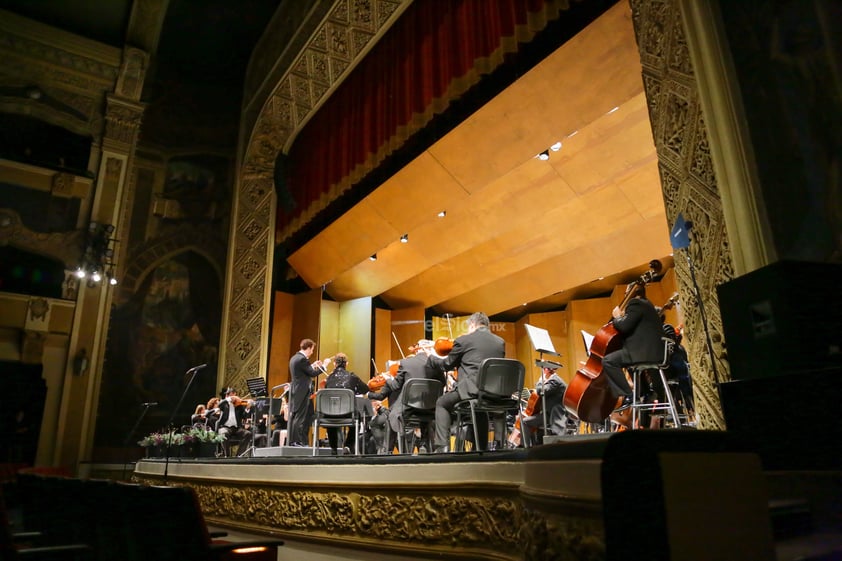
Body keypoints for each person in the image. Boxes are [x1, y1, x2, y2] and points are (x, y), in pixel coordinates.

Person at [428, 312, 505, 453]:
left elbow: (447, 365)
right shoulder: (500, 342)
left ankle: (442, 448)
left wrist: (432, 358)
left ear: (473, 324)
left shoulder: (464, 340)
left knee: (442, 403)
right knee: (480, 409)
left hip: (472, 390)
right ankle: (481, 448)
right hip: (495, 393)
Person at [368, 340, 445, 453]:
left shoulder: (406, 363)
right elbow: (441, 384)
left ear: (417, 349)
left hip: (409, 408)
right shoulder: (436, 364)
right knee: (425, 419)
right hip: (430, 409)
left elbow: (395, 386)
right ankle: (425, 445)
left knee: (391, 415)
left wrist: (388, 379)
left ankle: (387, 451)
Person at [601, 285, 665, 408]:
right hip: (654, 353)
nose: (626, 296)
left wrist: (618, 317)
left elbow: (625, 326)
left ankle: (628, 395)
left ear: (632, 292)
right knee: (628, 364)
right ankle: (645, 392)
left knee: (608, 361)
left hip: (643, 353)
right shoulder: (647, 304)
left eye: (627, 293)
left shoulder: (635, 303)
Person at [321, 353, 368, 455]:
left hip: (330, 415)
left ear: (334, 364)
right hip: (348, 414)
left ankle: (333, 448)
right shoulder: (352, 377)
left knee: (331, 415)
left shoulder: (329, 379)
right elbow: (365, 389)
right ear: (346, 363)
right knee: (357, 417)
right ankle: (348, 445)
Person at [288, 338, 329, 447]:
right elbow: (312, 374)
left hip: (296, 391)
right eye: (312, 349)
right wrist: (324, 365)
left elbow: (303, 371)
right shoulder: (302, 359)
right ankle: (297, 442)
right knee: (300, 417)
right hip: (302, 392)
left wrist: (313, 365)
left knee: (296, 416)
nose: (312, 352)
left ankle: (293, 441)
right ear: (309, 347)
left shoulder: (295, 358)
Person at [519, 365, 574, 446]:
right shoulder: (552, 380)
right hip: (548, 414)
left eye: (543, 369)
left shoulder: (555, 381)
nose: (543, 371)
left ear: (547, 370)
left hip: (556, 416)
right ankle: (528, 447)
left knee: (525, 422)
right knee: (525, 422)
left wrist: (541, 380)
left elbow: (541, 391)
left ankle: (528, 448)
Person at [216, 387, 253, 456]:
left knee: (248, 434)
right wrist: (228, 399)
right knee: (224, 433)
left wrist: (247, 409)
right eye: (227, 394)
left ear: (235, 394)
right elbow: (219, 405)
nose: (227, 395)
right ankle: (227, 455)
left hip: (236, 428)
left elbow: (244, 417)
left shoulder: (239, 405)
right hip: (225, 427)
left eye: (229, 394)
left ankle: (239, 455)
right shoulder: (224, 404)